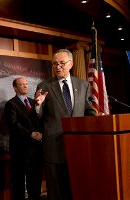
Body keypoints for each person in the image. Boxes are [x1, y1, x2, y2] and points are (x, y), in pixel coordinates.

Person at [35, 49, 97, 200]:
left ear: (71, 64)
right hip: (54, 148)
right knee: (56, 192)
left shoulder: (83, 85)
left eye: (62, 63)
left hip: (78, 147)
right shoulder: (45, 86)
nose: (58, 67)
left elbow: (89, 112)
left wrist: (97, 120)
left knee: (77, 189)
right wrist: (38, 105)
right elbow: (38, 117)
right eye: (55, 64)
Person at [4, 77, 43, 200]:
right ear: (15, 88)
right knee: (19, 181)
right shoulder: (11, 104)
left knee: (35, 180)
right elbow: (13, 124)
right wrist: (30, 133)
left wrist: (38, 106)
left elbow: (39, 120)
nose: (25, 86)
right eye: (21, 84)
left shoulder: (33, 102)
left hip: (36, 148)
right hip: (20, 149)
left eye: (26, 84)